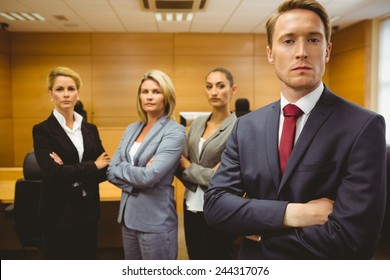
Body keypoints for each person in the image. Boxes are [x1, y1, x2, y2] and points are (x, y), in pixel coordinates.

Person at [204, 0, 386, 259]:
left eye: (313, 40)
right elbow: (215, 206)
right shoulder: (246, 127)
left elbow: (355, 240)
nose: (301, 51)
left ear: (327, 50)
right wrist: (295, 214)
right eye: (288, 41)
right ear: (270, 53)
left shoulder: (363, 127)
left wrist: (261, 233)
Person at [32, 66, 110, 259]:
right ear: (51, 93)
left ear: (78, 93)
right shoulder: (43, 130)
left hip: (88, 211)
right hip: (59, 214)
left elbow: (104, 168)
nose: (65, 94)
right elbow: (53, 173)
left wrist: (68, 169)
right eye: (59, 89)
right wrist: (92, 166)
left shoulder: (90, 129)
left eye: (71, 89)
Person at [107, 69, 185, 260]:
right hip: (128, 217)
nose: (149, 96)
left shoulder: (175, 131)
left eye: (156, 92)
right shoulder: (132, 128)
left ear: (166, 96)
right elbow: (110, 171)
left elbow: (150, 177)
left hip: (156, 221)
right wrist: (139, 174)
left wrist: (123, 169)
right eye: (145, 91)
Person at [176, 67, 238, 259]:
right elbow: (179, 163)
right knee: (195, 258)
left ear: (233, 89)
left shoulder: (239, 127)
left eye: (220, 86)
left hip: (220, 208)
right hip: (190, 205)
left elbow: (222, 178)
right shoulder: (196, 123)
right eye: (209, 86)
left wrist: (189, 166)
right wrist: (201, 172)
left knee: (219, 260)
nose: (214, 92)